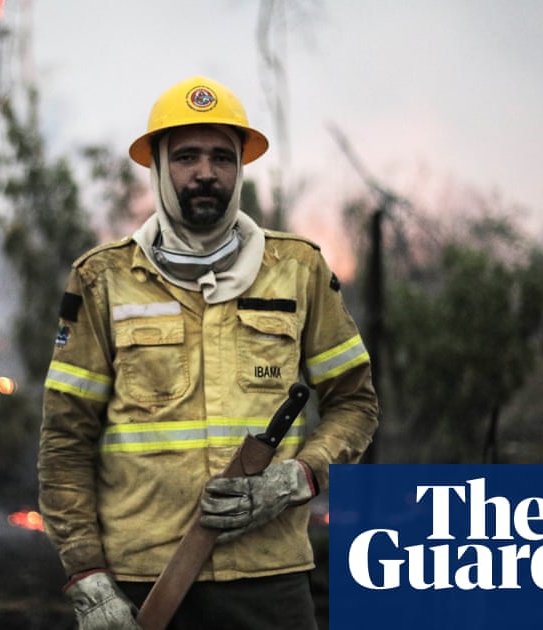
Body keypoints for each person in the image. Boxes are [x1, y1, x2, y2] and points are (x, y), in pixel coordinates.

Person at [38, 75, 379, 630]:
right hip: (144, 585)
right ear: (159, 167)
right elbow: (64, 441)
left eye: (223, 157)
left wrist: (297, 478)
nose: (205, 172)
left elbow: (355, 405)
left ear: (240, 169)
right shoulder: (103, 279)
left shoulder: (299, 270)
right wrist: (88, 579)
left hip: (268, 581)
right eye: (187, 156)